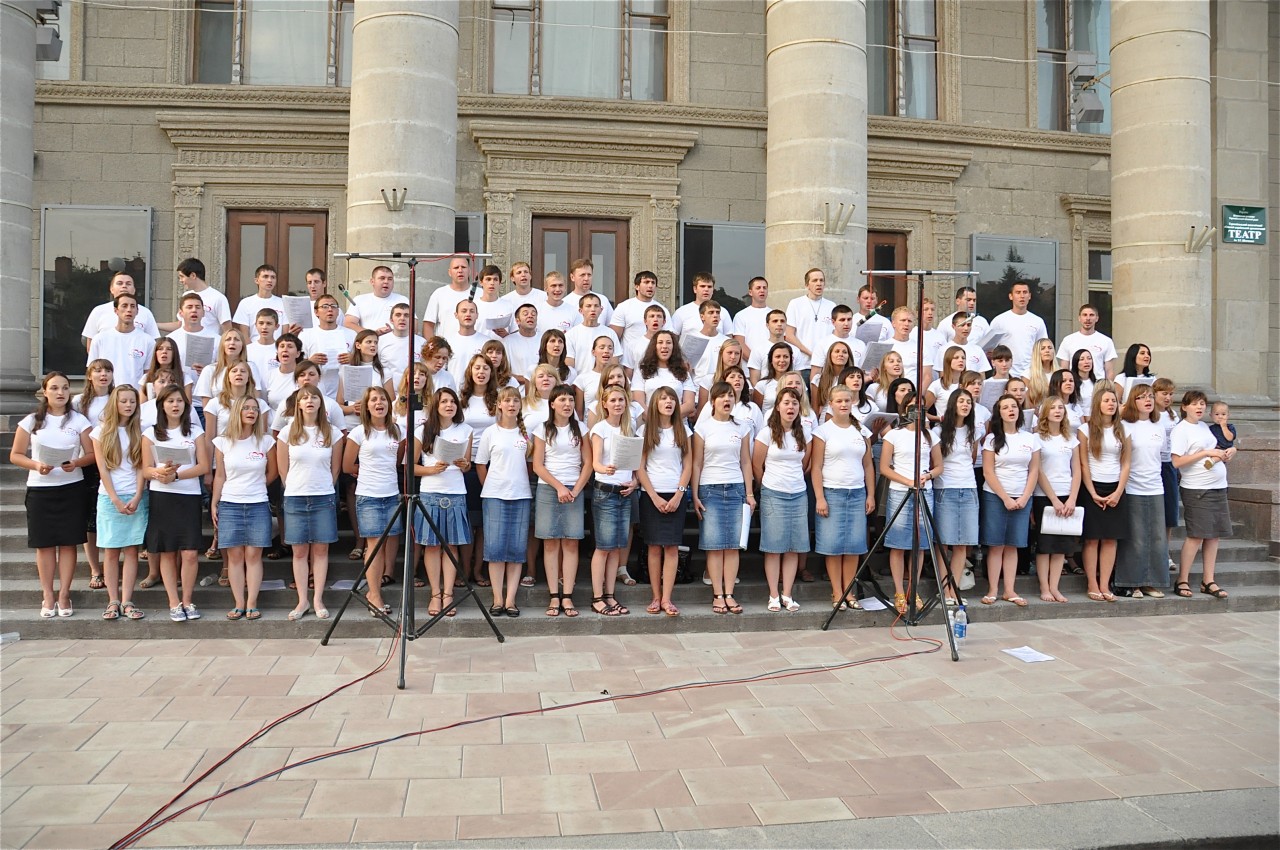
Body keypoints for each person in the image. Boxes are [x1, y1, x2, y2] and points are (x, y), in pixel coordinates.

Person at [12, 372, 94, 618]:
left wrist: (76, 462)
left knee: (69, 543)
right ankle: (48, 594)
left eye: (65, 388)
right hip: (40, 488)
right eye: (55, 388)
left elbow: (91, 454)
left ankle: (64, 593)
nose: (61, 392)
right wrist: (36, 465)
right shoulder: (31, 421)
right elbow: (15, 454)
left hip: (71, 488)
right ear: (44, 391)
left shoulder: (79, 421)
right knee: (45, 544)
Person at [142, 386, 211, 623]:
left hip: (188, 495)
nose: (175, 405)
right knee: (168, 551)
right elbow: (145, 468)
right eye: (170, 400)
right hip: (163, 496)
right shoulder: (151, 433)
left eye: (179, 401)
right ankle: (173, 601)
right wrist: (160, 472)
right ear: (161, 404)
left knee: (190, 552)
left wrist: (178, 476)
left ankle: (188, 599)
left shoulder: (194, 431)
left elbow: (203, 465)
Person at [277, 384, 341, 621]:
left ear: (320, 403)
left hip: (323, 495)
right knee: (300, 550)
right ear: (298, 404)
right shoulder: (287, 432)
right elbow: (282, 468)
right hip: (295, 496)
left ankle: (318, 598)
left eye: (314, 397)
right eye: (305, 398)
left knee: (321, 549)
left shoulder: (332, 432)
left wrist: (324, 486)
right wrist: (294, 487)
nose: (310, 401)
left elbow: (335, 468)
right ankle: (303, 599)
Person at [692, 381, 756, 615]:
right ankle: (717, 594)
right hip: (711, 488)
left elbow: (746, 462)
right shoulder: (703, 428)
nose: (727, 400)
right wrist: (695, 493)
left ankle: (730, 593)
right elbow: (696, 463)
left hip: (736, 487)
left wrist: (749, 493)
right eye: (722, 396)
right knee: (715, 546)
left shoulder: (742, 427)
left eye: (731, 396)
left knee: (733, 546)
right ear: (713, 400)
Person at [212, 395, 276, 621]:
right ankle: (239, 603)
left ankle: (252, 603)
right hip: (230, 503)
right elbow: (219, 475)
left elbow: (273, 473)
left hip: (258, 503)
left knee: (254, 554)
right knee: (235, 556)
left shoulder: (266, 441)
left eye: (255, 409)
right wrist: (214, 502)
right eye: (247, 408)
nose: (251, 412)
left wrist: (255, 487)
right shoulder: (222, 441)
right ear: (237, 411)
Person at [812, 385, 875, 609]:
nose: (843, 404)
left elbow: (868, 465)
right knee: (834, 545)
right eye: (838, 401)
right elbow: (816, 466)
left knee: (854, 545)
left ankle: (850, 591)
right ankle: (837, 592)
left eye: (847, 400)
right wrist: (820, 497)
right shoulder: (823, 431)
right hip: (833, 491)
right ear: (831, 404)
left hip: (857, 493)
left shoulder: (862, 431)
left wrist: (871, 494)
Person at [342, 386, 402, 616]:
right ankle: (374, 594)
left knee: (385, 544)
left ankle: (374, 590)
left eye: (383, 399)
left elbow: (396, 462)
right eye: (373, 399)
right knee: (374, 545)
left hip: (391, 494)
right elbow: (348, 466)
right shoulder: (359, 432)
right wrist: (368, 470)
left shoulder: (397, 431)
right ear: (366, 406)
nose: (379, 403)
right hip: (369, 495)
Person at [531, 384, 590, 617]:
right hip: (549, 489)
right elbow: (537, 464)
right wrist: (559, 487)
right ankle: (554, 595)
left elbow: (588, 463)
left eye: (570, 400)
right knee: (550, 542)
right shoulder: (542, 429)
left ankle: (568, 596)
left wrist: (574, 489)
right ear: (552, 403)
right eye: (562, 400)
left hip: (574, 490)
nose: (567, 404)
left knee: (571, 542)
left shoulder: (581, 429)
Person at [879, 398, 943, 614]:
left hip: (924, 491)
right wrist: (907, 481)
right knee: (898, 543)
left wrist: (927, 476)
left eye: (922, 406)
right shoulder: (894, 434)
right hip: (900, 491)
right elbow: (884, 467)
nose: (918, 410)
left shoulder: (929, 435)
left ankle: (912, 589)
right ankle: (898, 591)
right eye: (913, 406)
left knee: (921, 543)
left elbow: (939, 465)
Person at [91, 386, 149, 621]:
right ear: (114, 403)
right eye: (123, 401)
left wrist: (137, 495)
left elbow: (140, 467)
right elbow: (102, 468)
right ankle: (113, 600)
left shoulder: (141, 431)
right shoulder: (100, 431)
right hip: (109, 497)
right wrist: (114, 498)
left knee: (132, 550)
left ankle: (127, 600)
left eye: (132, 402)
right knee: (112, 550)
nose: (128, 405)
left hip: (135, 495)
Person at [1170, 390, 1234, 601]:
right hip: (1197, 489)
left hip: (1217, 485)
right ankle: (1182, 579)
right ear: (1184, 407)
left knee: (1213, 535)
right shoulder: (1181, 430)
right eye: (1195, 404)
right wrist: (1207, 453)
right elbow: (1177, 462)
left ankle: (1208, 579)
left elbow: (1214, 451)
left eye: (1202, 405)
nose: (1199, 408)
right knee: (1196, 535)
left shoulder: (1205, 427)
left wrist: (1226, 454)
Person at [752, 387, 811, 612]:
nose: (791, 407)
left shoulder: (803, 433)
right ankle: (774, 595)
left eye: (795, 403)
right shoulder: (766, 433)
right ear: (778, 406)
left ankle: (787, 594)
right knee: (774, 547)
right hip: (773, 493)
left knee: (793, 547)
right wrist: (765, 484)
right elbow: (757, 464)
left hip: (798, 494)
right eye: (786, 403)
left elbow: (805, 463)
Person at [476, 386, 533, 617]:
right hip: (495, 496)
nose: (511, 405)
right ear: (499, 404)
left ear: (520, 405)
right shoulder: (491, 432)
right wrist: (489, 486)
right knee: (496, 549)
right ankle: (497, 598)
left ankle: (511, 600)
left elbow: (531, 463)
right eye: (507, 401)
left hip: (521, 495)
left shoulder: (526, 433)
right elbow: (481, 463)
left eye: (515, 401)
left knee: (517, 549)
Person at [978, 394, 1040, 607]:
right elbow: (988, 472)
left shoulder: (1030, 438)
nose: (1011, 410)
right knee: (996, 545)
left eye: (1014, 406)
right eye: (1006, 407)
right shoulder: (991, 439)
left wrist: (1024, 497)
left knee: (1013, 545)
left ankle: (1010, 590)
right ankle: (993, 589)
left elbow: (1034, 471)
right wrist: (1005, 497)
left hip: (1022, 497)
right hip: (996, 497)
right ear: (1000, 413)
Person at [635, 387, 692, 617]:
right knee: (653, 547)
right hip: (652, 495)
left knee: (671, 547)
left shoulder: (683, 430)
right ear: (655, 404)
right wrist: (653, 495)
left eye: (671, 399)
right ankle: (656, 597)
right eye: (663, 399)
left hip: (675, 494)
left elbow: (688, 465)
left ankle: (667, 598)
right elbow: (640, 466)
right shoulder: (645, 430)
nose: (668, 402)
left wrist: (679, 494)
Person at [588, 386, 639, 616]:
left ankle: (610, 595)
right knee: (603, 547)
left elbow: (636, 465)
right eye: (613, 400)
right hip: (605, 491)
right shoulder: (600, 428)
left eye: (621, 400)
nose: (618, 404)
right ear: (604, 404)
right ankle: (597, 597)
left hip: (625, 492)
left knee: (617, 547)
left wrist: (635, 482)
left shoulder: (630, 428)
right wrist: (605, 469)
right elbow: (595, 463)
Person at [1079, 382, 1130, 602]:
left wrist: (1118, 491)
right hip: (1093, 487)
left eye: (1114, 401)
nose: (1111, 405)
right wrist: (1092, 493)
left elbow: (1126, 463)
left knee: (1110, 539)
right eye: (1106, 401)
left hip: (1115, 488)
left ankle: (1104, 583)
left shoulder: (1123, 429)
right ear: (1097, 404)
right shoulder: (1085, 429)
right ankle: (1092, 583)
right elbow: (1083, 464)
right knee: (1092, 539)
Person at [1116, 385, 1169, 599]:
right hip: (1133, 486)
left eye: (1149, 396)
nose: (1147, 400)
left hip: (1155, 486)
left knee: (1157, 537)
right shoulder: (1125, 426)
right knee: (1135, 537)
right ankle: (1132, 582)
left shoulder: (1159, 426)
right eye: (1141, 397)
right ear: (1132, 401)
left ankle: (1152, 582)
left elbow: (1161, 457)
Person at [933, 389, 979, 605]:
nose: (965, 405)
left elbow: (972, 457)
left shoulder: (973, 430)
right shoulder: (939, 430)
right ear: (953, 404)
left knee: (963, 543)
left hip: (968, 487)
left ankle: (955, 588)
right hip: (946, 488)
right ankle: (944, 590)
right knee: (946, 542)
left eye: (968, 402)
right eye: (961, 401)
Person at [74, 359, 115, 586]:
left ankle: (113, 566)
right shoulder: (78, 402)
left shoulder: (117, 398)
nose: (103, 375)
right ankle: (95, 569)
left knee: (111, 516)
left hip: (114, 463)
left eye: (107, 370)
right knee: (90, 519)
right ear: (89, 375)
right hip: (89, 464)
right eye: (98, 370)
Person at [87, 292, 156, 391]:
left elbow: (148, 374)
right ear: (116, 310)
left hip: (134, 398)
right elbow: (91, 372)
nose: (129, 310)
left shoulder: (148, 341)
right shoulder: (99, 339)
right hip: (107, 397)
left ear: (137, 311)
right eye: (124, 306)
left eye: (132, 306)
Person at [80, 271, 161, 349]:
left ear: (134, 289)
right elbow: (91, 345)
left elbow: (153, 344)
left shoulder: (145, 313)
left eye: (128, 284)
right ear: (111, 289)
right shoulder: (98, 311)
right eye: (120, 283)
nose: (124, 286)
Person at [299, 294, 357, 400]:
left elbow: (362, 361)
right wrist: (310, 361)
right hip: (315, 391)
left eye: (333, 306)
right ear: (316, 312)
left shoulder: (351, 334)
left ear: (338, 311)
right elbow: (297, 364)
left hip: (344, 390)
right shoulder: (306, 335)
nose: (330, 309)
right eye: (325, 306)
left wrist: (352, 358)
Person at [986, 280, 1048, 378]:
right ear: (1011, 296)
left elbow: (1042, 348)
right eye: (1018, 292)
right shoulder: (999, 321)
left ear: (1030, 296)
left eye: (1025, 292)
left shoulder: (1038, 321)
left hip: (1030, 375)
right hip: (1005, 374)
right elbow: (989, 349)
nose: (1022, 296)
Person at [631, 329, 696, 418]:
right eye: (660, 342)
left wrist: (668, 419)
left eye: (668, 342)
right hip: (650, 424)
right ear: (654, 346)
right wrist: (655, 420)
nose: (664, 346)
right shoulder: (642, 370)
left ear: (674, 347)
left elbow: (689, 405)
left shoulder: (682, 371)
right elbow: (639, 402)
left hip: (678, 426)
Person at [1152, 377, 1181, 569]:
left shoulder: (1173, 415)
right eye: (1164, 393)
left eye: (1170, 394)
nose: (1168, 397)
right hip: (1152, 464)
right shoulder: (1149, 414)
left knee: (1169, 513)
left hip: (1169, 464)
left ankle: (1165, 551)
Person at [784, 267, 835, 370]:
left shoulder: (832, 306)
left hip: (826, 365)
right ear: (807, 285)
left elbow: (835, 334)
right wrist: (810, 353)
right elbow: (789, 335)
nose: (819, 283)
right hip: (802, 365)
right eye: (815, 280)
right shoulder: (795, 304)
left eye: (821, 280)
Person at [610, 270, 669, 352]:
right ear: (637, 286)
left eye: (653, 283)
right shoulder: (624, 307)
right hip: (628, 361)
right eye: (646, 282)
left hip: (653, 359)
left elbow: (668, 336)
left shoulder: (662, 310)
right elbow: (614, 338)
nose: (650, 286)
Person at [1056, 303, 1117, 380]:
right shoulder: (1068, 340)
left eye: (1091, 315)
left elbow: (1109, 371)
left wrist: (1108, 389)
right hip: (1075, 386)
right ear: (1079, 318)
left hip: (1098, 386)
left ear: (1097, 318)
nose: (1088, 318)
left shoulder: (1106, 341)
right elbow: (1064, 369)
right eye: (1084, 315)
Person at [344, 265, 409, 335]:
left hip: (396, 344)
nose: (386, 281)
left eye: (390, 279)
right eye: (382, 278)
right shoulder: (359, 300)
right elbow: (348, 324)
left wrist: (394, 333)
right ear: (372, 281)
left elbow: (414, 327)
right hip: (369, 344)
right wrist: (374, 334)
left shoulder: (403, 300)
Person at [175, 257, 232, 335]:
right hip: (187, 343)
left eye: (182, 276)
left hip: (209, 344)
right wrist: (155, 325)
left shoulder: (218, 298)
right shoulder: (186, 296)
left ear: (193, 275)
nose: (181, 280)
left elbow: (227, 330)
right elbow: (180, 324)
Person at [378, 303, 427, 392]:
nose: (402, 318)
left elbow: (427, 371)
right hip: (387, 395)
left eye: (406, 315)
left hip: (415, 394)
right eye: (398, 315)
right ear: (391, 320)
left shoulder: (422, 343)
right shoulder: (380, 341)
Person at [421, 255, 473, 339]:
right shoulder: (439, 294)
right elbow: (428, 325)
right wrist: (433, 348)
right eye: (456, 268)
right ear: (449, 272)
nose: (460, 270)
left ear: (469, 271)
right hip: (445, 349)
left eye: (463, 267)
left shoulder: (480, 293)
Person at [565, 292, 619, 371]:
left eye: (596, 306)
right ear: (580, 310)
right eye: (588, 306)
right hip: (580, 381)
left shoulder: (610, 333)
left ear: (601, 310)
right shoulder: (571, 334)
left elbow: (614, 361)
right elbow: (569, 363)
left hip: (604, 380)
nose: (593, 309)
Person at [231, 264, 285, 339]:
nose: (269, 280)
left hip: (277, 348)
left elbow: (285, 333)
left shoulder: (283, 303)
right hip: (253, 348)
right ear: (256, 280)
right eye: (265, 276)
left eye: (273, 277)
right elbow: (244, 334)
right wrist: (252, 349)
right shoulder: (246, 303)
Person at [671, 272, 727, 338]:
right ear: (695, 289)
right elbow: (673, 338)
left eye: (709, 287)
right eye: (702, 286)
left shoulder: (723, 311)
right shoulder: (682, 312)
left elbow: (729, 340)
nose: (706, 289)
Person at [572, 335, 617, 415]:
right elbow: (579, 411)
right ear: (593, 352)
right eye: (602, 347)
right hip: (590, 425)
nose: (606, 351)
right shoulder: (582, 379)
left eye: (610, 348)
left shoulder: (620, 377)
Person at [731, 275, 772, 363]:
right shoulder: (741, 316)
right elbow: (739, 343)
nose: (762, 290)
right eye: (758, 288)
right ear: (750, 292)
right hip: (748, 370)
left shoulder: (775, 315)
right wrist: (756, 363)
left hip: (771, 368)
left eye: (764, 288)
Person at [746, 309, 793, 384]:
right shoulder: (758, 350)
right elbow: (754, 380)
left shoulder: (795, 350)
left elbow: (798, 378)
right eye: (775, 321)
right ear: (767, 325)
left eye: (782, 321)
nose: (779, 324)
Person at [564, 258, 614, 326]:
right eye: (582, 275)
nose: (586, 279)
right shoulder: (565, 303)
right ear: (572, 277)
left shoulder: (603, 300)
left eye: (589, 275)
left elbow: (611, 325)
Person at [752, 341, 794, 416]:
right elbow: (756, 413)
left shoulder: (797, 383)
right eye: (778, 356)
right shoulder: (762, 385)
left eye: (786, 357)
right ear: (771, 360)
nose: (782, 360)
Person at [504, 303, 543, 384]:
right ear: (518, 321)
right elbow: (503, 371)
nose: (530, 316)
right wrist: (525, 379)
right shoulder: (508, 342)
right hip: (517, 392)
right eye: (525, 314)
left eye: (533, 314)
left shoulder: (545, 339)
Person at [535, 271, 581, 337]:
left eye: (560, 285)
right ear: (546, 288)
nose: (557, 289)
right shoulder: (537, 311)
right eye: (553, 286)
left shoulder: (574, 311)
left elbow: (577, 337)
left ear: (565, 288)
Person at [245, 308, 281, 385]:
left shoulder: (281, 350)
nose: (264, 327)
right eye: (261, 323)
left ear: (276, 326)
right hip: (253, 394)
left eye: (269, 323)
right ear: (256, 325)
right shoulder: (247, 350)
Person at [1024, 338, 1057, 407]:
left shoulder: (1060, 373)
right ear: (1037, 352)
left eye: (1050, 348)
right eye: (1043, 348)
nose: (1047, 351)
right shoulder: (1027, 374)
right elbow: (1026, 399)